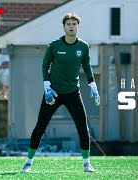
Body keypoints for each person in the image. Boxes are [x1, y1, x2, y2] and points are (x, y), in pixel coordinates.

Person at [21, 13, 100, 173]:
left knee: (83, 128)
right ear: (63, 27)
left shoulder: (83, 47)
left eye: (74, 24)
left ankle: (86, 164)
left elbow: (87, 66)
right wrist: (47, 87)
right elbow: (45, 65)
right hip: (53, 93)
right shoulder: (54, 46)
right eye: (68, 24)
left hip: (73, 92)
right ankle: (28, 162)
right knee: (40, 127)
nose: (71, 26)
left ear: (78, 27)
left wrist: (93, 86)